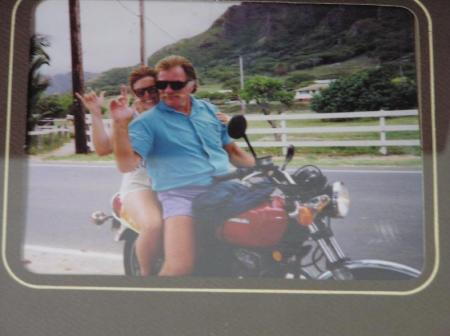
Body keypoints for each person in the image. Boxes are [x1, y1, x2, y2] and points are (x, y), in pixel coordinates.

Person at [110, 55, 255, 276]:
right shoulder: (148, 122)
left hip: (225, 188)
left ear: (192, 85)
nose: (167, 90)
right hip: (182, 195)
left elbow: (233, 151)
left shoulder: (208, 110)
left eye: (176, 84)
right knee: (179, 267)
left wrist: (261, 167)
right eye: (162, 85)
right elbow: (126, 164)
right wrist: (120, 126)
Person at [76, 66, 163, 277]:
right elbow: (103, 148)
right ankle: (146, 277)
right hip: (140, 186)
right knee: (153, 226)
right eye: (141, 92)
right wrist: (96, 114)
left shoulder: (176, 112)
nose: (148, 95)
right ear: (135, 95)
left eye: (153, 89)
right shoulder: (130, 118)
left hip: (174, 185)